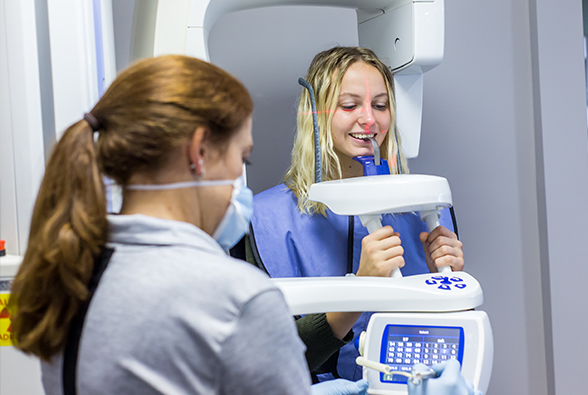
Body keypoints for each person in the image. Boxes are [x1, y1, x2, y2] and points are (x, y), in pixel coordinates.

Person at [8, 55, 369, 395]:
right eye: (243, 158)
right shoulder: (235, 298)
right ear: (199, 152)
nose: (239, 180)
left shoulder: (67, 272)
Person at [238, 47, 465, 381]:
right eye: (349, 105)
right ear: (314, 114)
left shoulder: (426, 209)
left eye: (380, 105)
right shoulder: (264, 221)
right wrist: (360, 290)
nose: (369, 120)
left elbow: (455, 341)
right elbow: (263, 361)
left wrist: (448, 285)